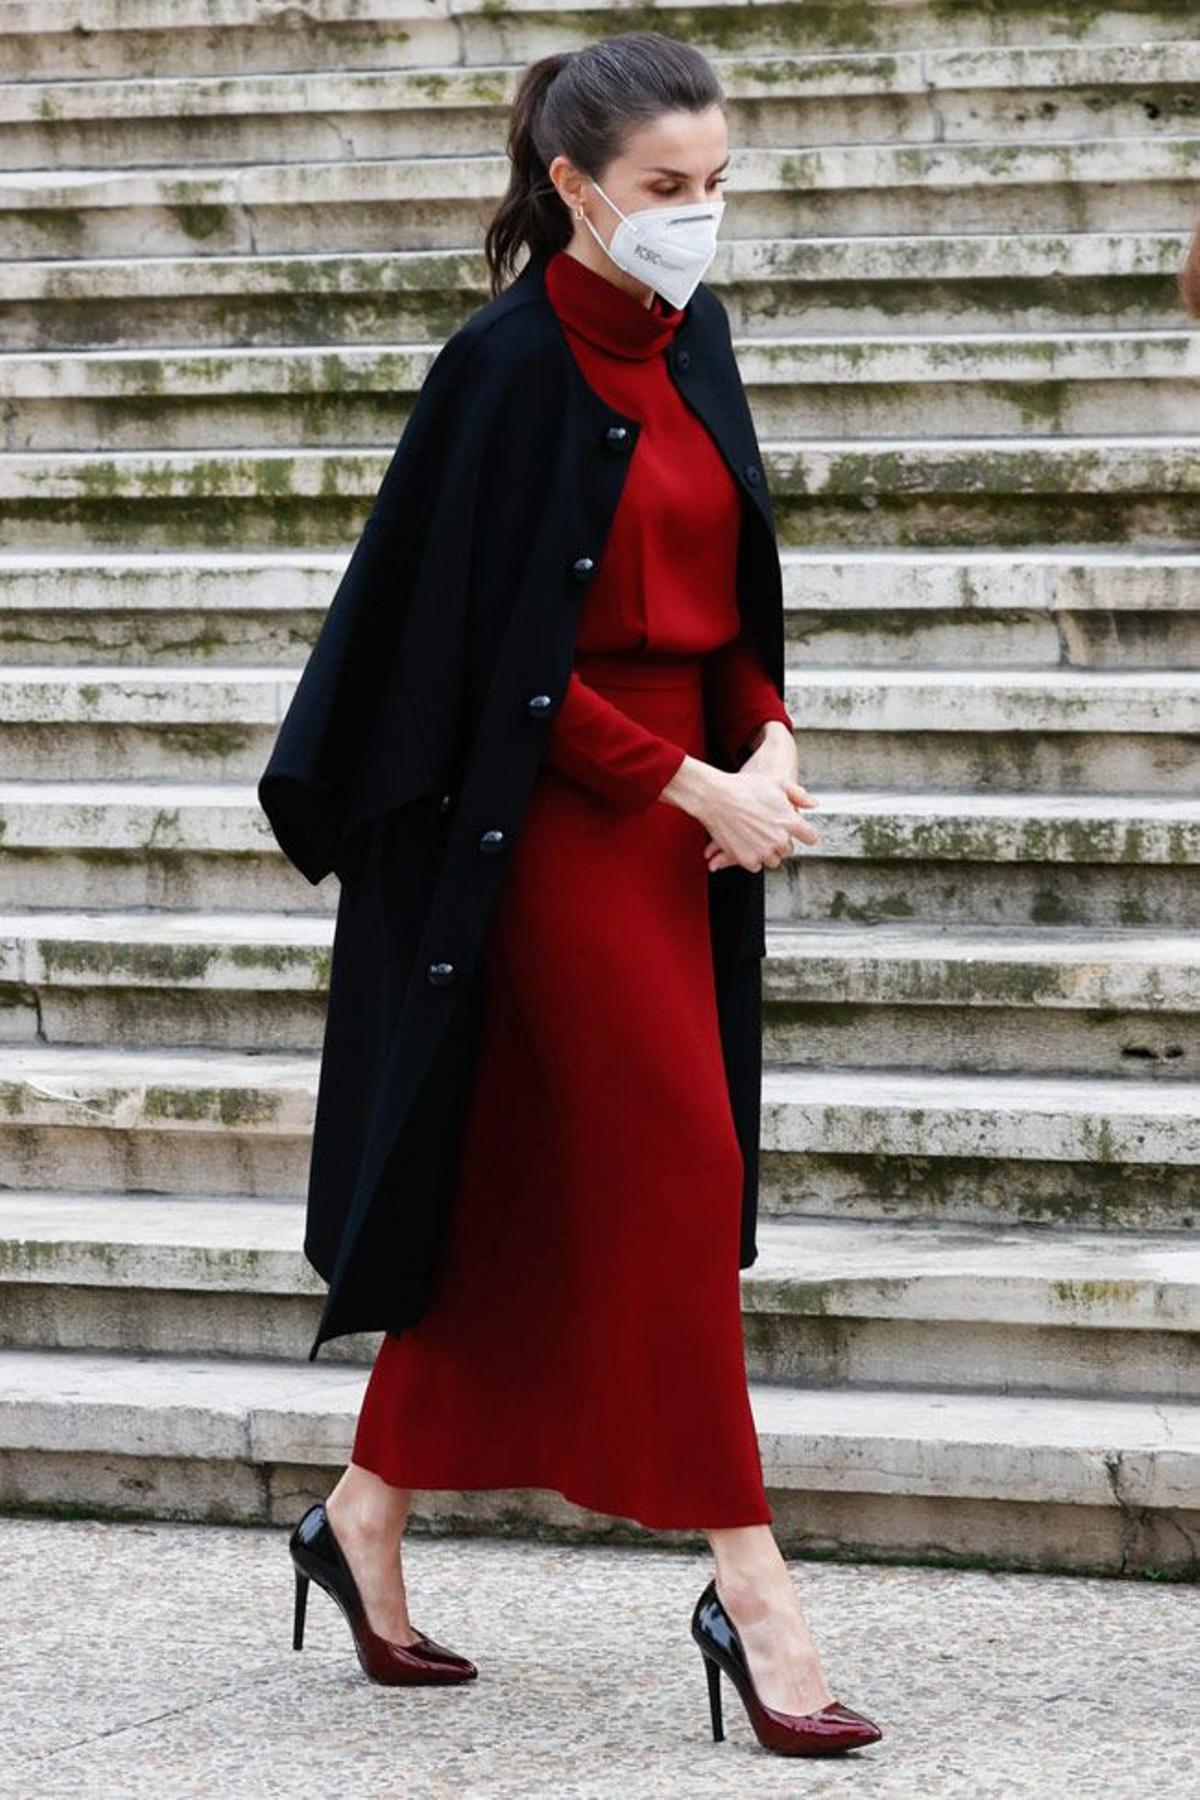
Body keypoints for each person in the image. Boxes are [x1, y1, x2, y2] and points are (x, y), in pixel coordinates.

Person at [286, 31, 883, 1760]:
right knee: (686, 1176)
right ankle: (754, 1597)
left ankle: (363, 1518)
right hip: (550, 838)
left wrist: (767, 740)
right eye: (663, 194)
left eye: (717, 189)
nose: (698, 222)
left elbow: (734, 580)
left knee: (550, 1197)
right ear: (573, 188)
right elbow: (475, 668)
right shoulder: (502, 369)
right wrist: (683, 776)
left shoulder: (697, 335)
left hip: (694, 822)